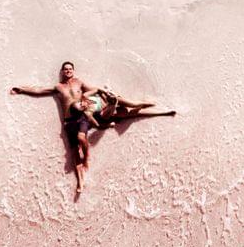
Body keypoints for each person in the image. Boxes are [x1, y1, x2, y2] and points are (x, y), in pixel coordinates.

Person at [10, 62, 156, 193]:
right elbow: (39, 91)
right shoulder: (58, 87)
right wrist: (21, 89)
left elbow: (93, 90)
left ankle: (89, 154)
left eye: (70, 69)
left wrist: (106, 92)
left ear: (73, 71)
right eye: (65, 69)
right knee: (74, 152)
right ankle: (80, 180)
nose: (68, 71)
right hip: (69, 121)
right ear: (62, 71)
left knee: (82, 137)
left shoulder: (79, 82)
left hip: (81, 117)